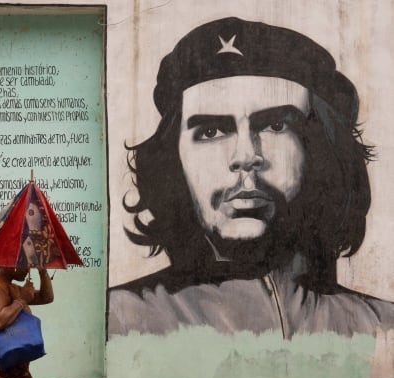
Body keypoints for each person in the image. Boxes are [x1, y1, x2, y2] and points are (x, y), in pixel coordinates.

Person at [108, 17, 394, 338]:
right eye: (212, 131)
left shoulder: (382, 328)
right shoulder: (119, 323)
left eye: (275, 126)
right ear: (173, 160)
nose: (245, 156)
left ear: (321, 149)